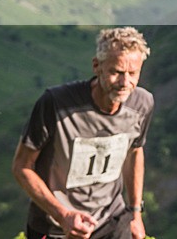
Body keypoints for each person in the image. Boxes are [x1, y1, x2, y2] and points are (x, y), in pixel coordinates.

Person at [12, 27, 154, 239]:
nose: (125, 83)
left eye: (133, 73)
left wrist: (135, 214)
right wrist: (63, 215)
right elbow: (22, 166)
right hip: (55, 227)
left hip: (111, 220)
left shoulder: (142, 104)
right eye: (116, 72)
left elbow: (134, 152)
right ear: (97, 66)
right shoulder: (55, 103)